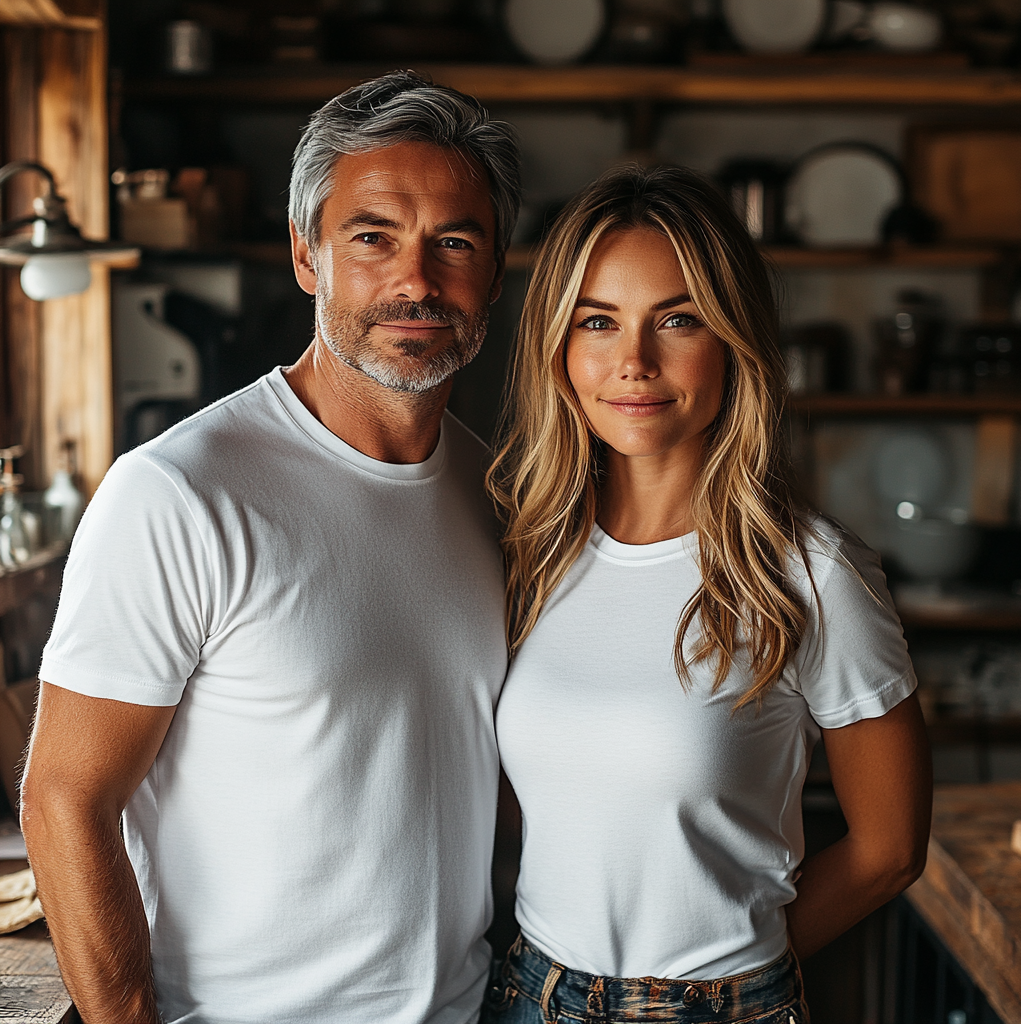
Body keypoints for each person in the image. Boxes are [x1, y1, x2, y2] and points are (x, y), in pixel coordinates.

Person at [20, 71, 521, 1024]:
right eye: (371, 237)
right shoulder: (178, 493)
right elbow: (63, 802)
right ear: (307, 256)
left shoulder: (493, 491)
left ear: (493, 272)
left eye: (454, 242)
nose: (416, 279)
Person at [482, 165, 932, 1024]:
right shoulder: (527, 551)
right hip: (526, 993)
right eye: (598, 322)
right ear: (558, 347)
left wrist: (732, 989)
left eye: (678, 320)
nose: (633, 363)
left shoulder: (808, 572)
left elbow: (889, 850)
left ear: (732, 339)